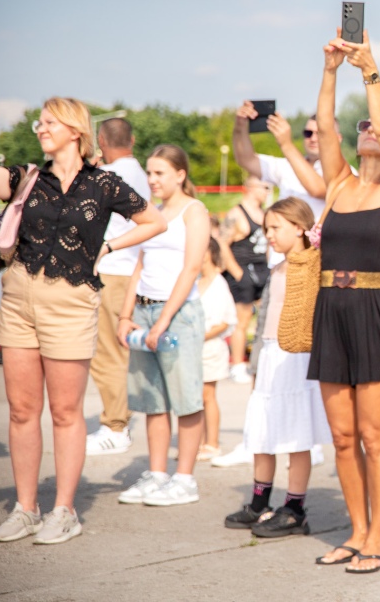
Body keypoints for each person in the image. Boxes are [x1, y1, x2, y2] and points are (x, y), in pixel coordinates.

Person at [0, 98, 164, 545]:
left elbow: (153, 221)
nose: (40, 128)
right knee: (23, 410)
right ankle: (26, 508)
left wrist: (107, 249)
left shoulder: (104, 184)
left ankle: (64, 510)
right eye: (40, 122)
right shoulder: (27, 177)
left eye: (49, 122)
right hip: (19, 296)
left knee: (66, 413)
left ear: (75, 130)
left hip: (71, 300)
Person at [309, 29, 380, 573]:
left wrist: (369, 70)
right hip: (331, 310)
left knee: (376, 435)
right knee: (342, 434)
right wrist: (331, 70)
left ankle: (377, 537)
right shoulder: (337, 184)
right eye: (365, 127)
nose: (370, 131)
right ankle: (355, 531)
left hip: (377, 310)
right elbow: (325, 126)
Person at [225, 197, 331, 538]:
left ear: (300, 228)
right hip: (270, 355)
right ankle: (260, 501)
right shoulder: (277, 267)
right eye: (267, 227)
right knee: (263, 431)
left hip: (297, 357)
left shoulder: (314, 265)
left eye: (276, 228)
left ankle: (295, 506)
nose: (268, 234)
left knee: (297, 433)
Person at [116, 145, 210, 507]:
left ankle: (184, 479)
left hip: (179, 317)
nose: (152, 180)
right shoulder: (150, 213)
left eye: (160, 173)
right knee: (152, 399)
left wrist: (164, 320)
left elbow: (191, 268)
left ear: (180, 175)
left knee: (185, 399)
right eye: (150, 173)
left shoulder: (194, 211)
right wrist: (126, 316)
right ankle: (157, 474)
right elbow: (139, 266)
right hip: (144, 312)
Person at [86, 117, 154, 456]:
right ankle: (119, 419)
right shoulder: (144, 174)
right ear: (134, 138)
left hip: (111, 270)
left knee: (107, 354)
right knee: (123, 352)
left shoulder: (107, 178)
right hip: (135, 271)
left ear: (102, 140)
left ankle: (115, 425)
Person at [233, 105, 329, 218]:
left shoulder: (345, 173)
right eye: (308, 133)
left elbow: (318, 189)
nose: (313, 139)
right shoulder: (287, 166)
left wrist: (286, 144)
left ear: (338, 138)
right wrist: (240, 127)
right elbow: (246, 160)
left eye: (320, 133)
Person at [219, 175, 270, 384]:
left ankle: (259, 361)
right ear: (250, 188)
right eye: (264, 187)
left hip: (262, 269)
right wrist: (237, 273)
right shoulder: (237, 214)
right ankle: (237, 364)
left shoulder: (264, 214)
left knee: (266, 319)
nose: (267, 191)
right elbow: (222, 243)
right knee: (243, 320)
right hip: (243, 269)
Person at [197, 237, 236, 461]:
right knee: (196, 398)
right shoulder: (195, 281)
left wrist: (199, 336)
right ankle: (200, 441)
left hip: (210, 347)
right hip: (194, 347)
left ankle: (212, 443)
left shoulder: (218, 283)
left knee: (208, 396)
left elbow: (225, 321)